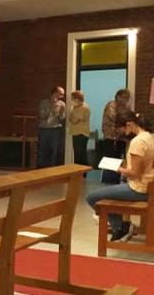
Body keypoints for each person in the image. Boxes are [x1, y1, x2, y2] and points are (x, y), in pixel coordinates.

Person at [86, 112, 154, 241]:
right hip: (149, 184)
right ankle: (117, 224)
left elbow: (135, 173)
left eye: (121, 129)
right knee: (111, 191)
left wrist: (118, 169)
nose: (122, 133)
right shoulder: (150, 137)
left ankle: (120, 226)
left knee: (92, 196)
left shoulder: (138, 141)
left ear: (128, 125)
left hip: (139, 188)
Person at [101, 89, 132, 180]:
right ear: (118, 97)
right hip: (111, 137)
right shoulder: (111, 105)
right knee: (110, 159)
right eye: (124, 98)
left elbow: (130, 118)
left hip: (121, 138)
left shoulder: (126, 107)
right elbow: (114, 117)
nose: (125, 100)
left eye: (127, 98)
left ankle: (116, 179)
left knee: (119, 159)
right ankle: (108, 180)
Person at [38, 86, 66, 168]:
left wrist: (61, 112)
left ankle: (52, 170)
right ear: (54, 93)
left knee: (54, 151)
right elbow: (41, 116)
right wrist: (52, 107)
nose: (62, 97)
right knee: (42, 150)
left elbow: (62, 118)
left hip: (55, 130)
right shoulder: (44, 103)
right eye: (61, 94)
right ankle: (39, 170)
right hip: (44, 130)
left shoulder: (62, 104)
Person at [69, 90, 90, 166]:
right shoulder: (74, 107)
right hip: (75, 132)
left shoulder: (84, 107)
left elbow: (75, 120)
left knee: (81, 154)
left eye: (72, 98)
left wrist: (73, 119)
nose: (71, 100)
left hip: (81, 133)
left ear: (77, 98)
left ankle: (83, 173)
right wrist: (72, 118)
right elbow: (70, 118)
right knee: (77, 154)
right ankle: (77, 171)